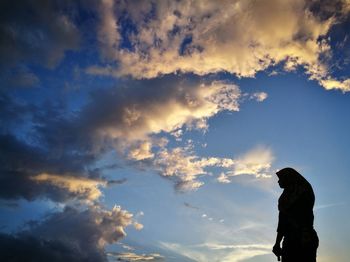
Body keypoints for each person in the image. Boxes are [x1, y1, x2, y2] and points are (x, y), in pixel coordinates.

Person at [272, 167, 319, 262]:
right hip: (292, 239)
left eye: (280, 179)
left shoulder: (301, 194)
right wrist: (277, 243)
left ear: (288, 178)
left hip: (303, 239)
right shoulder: (286, 198)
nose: (278, 182)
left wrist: (277, 243)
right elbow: (282, 224)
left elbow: (283, 222)